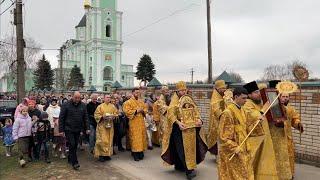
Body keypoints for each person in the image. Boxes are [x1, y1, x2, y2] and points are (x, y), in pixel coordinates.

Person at [161, 81, 207, 180]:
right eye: (181, 90)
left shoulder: (188, 99)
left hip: (191, 129)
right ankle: (189, 171)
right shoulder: (174, 101)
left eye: (184, 90)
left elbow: (196, 111)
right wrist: (178, 123)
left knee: (191, 148)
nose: (183, 92)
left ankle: (179, 165)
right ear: (177, 91)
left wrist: (199, 120)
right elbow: (170, 115)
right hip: (179, 130)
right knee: (182, 150)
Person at [243, 81, 279, 179]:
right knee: (253, 162)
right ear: (249, 95)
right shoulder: (247, 104)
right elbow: (252, 116)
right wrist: (263, 109)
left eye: (259, 92)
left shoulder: (258, 103)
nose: (259, 94)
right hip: (254, 140)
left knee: (264, 160)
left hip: (264, 137)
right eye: (256, 92)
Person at [218, 87, 253, 180]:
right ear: (236, 97)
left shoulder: (242, 110)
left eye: (246, 98)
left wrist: (257, 121)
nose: (246, 101)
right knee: (234, 175)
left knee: (245, 173)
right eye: (243, 98)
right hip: (233, 150)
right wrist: (234, 147)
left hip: (244, 147)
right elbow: (223, 137)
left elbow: (246, 127)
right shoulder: (227, 113)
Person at [59, 91, 90, 170]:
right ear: (72, 97)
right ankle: (75, 162)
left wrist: (87, 128)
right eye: (76, 97)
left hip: (78, 128)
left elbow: (86, 117)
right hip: (68, 128)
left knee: (75, 145)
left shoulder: (83, 105)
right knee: (72, 144)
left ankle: (70, 157)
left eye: (79, 98)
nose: (77, 99)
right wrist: (61, 130)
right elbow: (61, 118)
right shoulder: (66, 105)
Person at [280, 92, 304, 177]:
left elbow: (294, 119)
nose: (285, 98)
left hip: (288, 136)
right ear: (279, 97)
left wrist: (298, 124)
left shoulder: (291, 109)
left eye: (287, 96)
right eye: (283, 96)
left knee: (289, 155)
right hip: (278, 136)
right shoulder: (275, 108)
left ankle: (289, 174)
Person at [123, 88, 148, 161]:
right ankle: (135, 153)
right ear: (133, 93)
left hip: (141, 122)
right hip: (133, 122)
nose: (138, 94)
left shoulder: (141, 102)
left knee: (141, 137)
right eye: (136, 93)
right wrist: (136, 111)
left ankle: (141, 152)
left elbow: (145, 109)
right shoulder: (128, 102)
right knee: (135, 138)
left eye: (138, 93)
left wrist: (143, 111)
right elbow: (126, 111)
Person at [94, 94, 118, 162]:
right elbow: (96, 115)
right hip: (102, 126)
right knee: (102, 140)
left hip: (110, 126)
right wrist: (102, 117)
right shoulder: (100, 106)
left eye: (109, 98)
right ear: (104, 98)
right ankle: (101, 155)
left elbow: (116, 114)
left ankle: (107, 154)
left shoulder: (113, 106)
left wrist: (114, 116)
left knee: (109, 140)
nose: (108, 99)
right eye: (107, 97)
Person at [207, 80, 227, 157]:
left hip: (224, 119)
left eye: (224, 88)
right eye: (222, 88)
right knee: (218, 138)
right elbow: (216, 110)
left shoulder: (223, 95)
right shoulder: (215, 97)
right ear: (218, 88)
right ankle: (218, 155)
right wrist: (223, 116)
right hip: (217, 121)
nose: (224, 90)